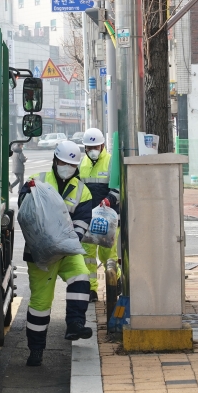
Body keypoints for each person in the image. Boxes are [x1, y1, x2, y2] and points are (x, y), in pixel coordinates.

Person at [18, 140, 93, 367]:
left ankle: (75, 325)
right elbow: (25, 211)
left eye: (71, 164)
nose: (66, 167)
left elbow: (82, 220)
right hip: (40, 255)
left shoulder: (82, 190)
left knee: (81, 277)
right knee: (40, 304)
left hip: (67, 251)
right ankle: (36, 350)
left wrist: (71, 241)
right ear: (55, 160)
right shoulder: (37, 181)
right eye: (62, 162)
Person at [77, 128, 120, 302]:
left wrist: (110, 199)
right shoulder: (82, 164)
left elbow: (118, 187)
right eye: (89, 147)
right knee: (88, 255)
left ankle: (114, 282)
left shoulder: (111, 162)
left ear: (102, 145)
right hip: (89, 217)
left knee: (107, 253)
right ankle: (91, 290)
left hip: (108, 216)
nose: (92, 150)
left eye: (95, 146)